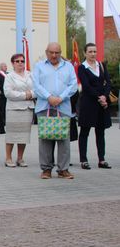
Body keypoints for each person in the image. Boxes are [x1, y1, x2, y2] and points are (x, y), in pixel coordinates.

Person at [33, 42, 78, 179]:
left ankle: (63, 169)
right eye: (51, 52)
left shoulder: (68, 66)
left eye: (57, 53)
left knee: (63, 138)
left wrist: (61, 97)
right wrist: (49, 97)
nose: (54, 55)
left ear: (60, 53)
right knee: (45, 138)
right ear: (46, 52)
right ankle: (46, 169)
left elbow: (73, 85)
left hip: (63, 106)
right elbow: (36, 85)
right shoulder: (39, 66)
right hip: (45, 106)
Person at [77, 43, 112, 170]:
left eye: (94, 51)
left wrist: (105, 96)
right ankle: (83, 160)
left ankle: (101, 159)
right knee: (85, 131)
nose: (93, 54)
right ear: (85, 53)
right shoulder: (82, 67)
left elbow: (108, 82)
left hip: (101, 104)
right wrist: (99, 97)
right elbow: (86, 86)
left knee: (100, 132)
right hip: (88, 103)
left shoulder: (101, 65)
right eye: (90, 52)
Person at [3, 54, 35, 168]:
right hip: (14, 109)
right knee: (12, 135)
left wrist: (31, 94)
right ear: (13, 63)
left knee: (23, 136)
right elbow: (8, 93)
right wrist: (24, 95)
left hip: (27, 108)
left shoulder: (30, 74)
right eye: (17, 61)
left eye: (22, 61)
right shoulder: (9, 76)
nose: (20, 63)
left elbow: (36, 89)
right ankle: (8, 157)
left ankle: (20, 158)